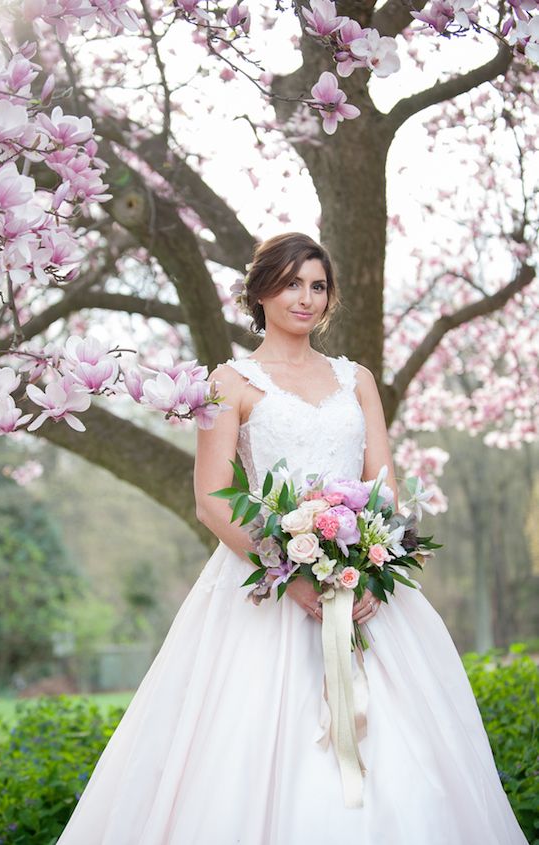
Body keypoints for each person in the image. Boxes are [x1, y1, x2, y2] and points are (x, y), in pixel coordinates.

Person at [57, 232, 528, 844]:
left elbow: (382, 483)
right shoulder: (229, 381)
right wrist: (290, 571)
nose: (305, 298)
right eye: (291, 284)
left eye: (317, 285)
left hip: (365, 583)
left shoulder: (356, 378)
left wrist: (375, 568)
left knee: (410, 748)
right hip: (265, 587)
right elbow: (209, 497)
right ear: (260, 292)